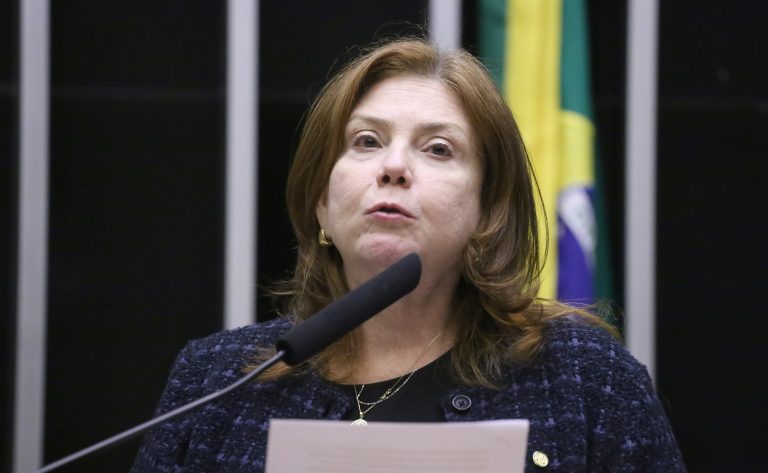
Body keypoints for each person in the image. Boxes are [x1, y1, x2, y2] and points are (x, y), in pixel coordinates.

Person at [131, 38, 685, 472]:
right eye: (366, 141)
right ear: (322, 202)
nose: (392, 167)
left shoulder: (585, 377)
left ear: (487, 210)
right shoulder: (215, 382)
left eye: (438, 149)